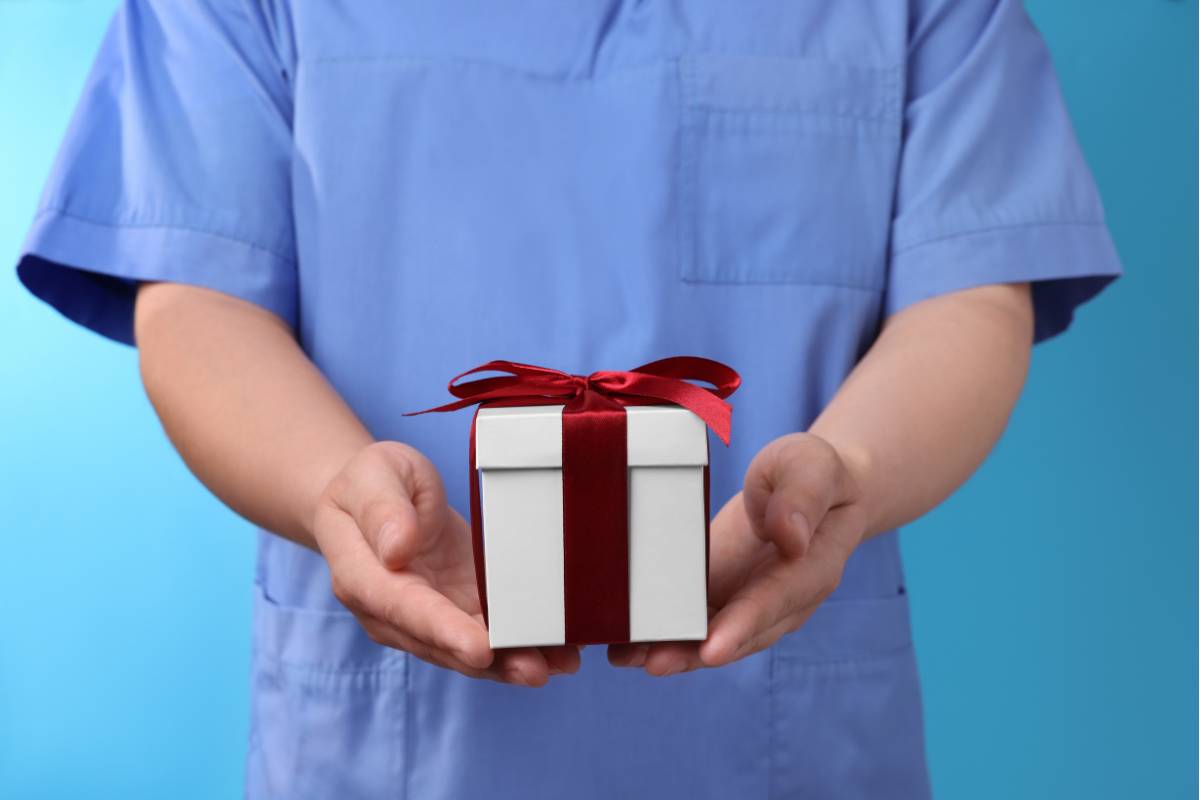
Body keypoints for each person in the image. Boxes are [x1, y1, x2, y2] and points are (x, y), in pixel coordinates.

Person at [17, 1, 1121, 797]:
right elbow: (199, 298)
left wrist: (852, 473)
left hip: (786, 739)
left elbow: (972, 293)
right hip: (388, 748)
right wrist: (330, 491)